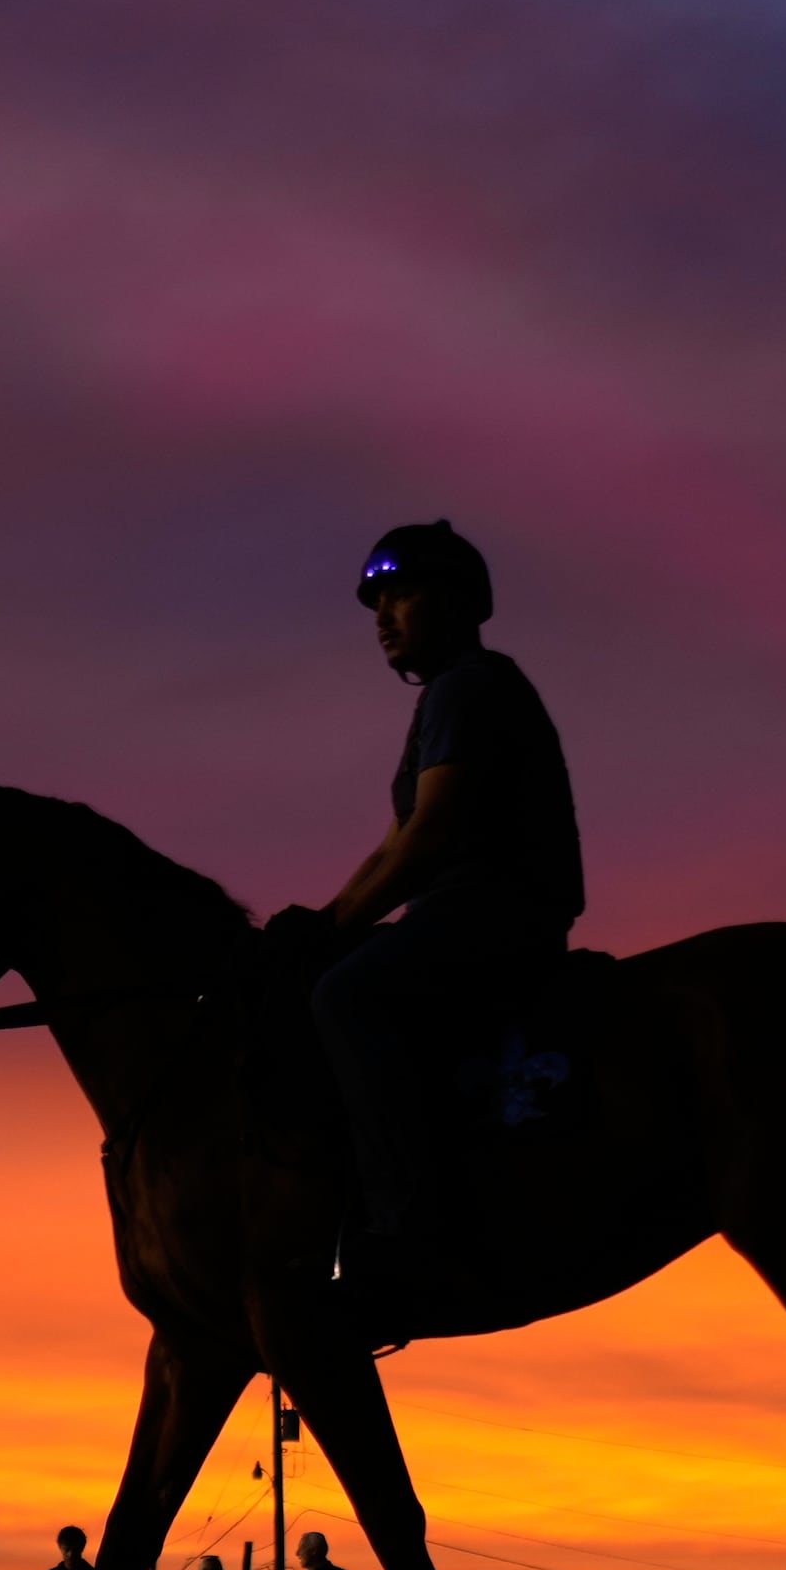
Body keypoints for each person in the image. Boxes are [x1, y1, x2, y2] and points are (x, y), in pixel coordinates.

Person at [269, 520, 583, 1297]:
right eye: (378, 600)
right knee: (324, 972)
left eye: (401, 594)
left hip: (494, 908)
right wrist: (322, 920)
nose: (383, 615)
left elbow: (431, 838)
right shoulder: (447, 699)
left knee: (346, 996)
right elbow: (391, 847)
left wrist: (337, 933)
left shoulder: (470, 687)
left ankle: (408, 1227)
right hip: (460, 907)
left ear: (459, 602)